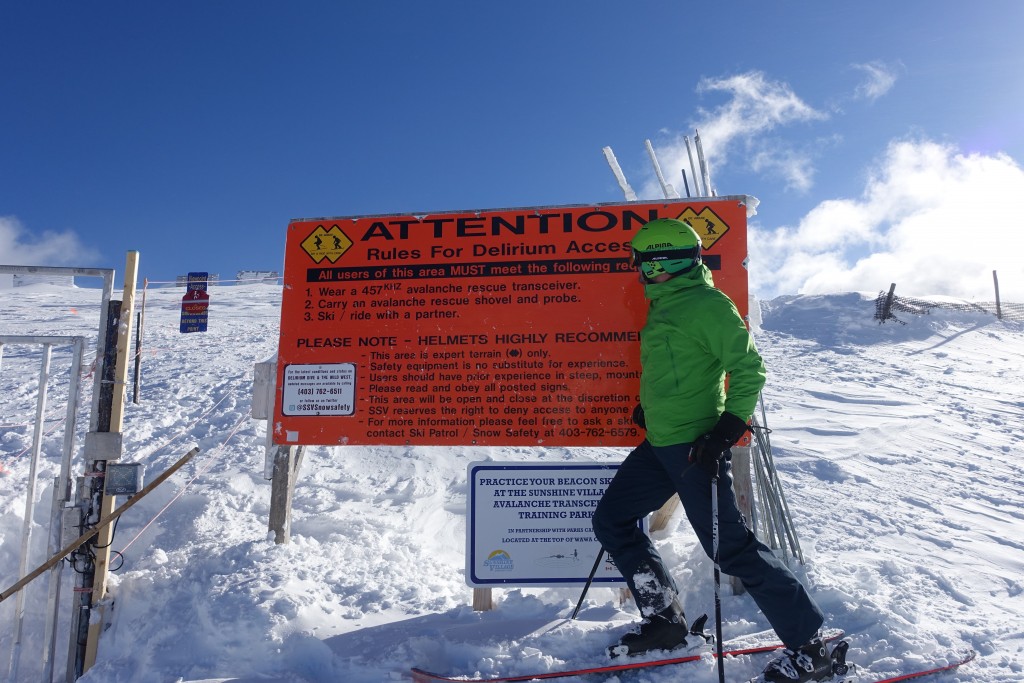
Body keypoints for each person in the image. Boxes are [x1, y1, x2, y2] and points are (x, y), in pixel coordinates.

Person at [591, 218, 833, 682]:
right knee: (613, 519)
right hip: (661, 443)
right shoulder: (665, 306)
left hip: (693, 448)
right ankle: (664, 622)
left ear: (660, 262)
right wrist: (649, 408)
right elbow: (680, 369)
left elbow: (749, 370)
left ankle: (812, 649)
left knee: (732, 550)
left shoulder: (706, 305)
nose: (638, 270)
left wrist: (724, 432)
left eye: (641, 262)